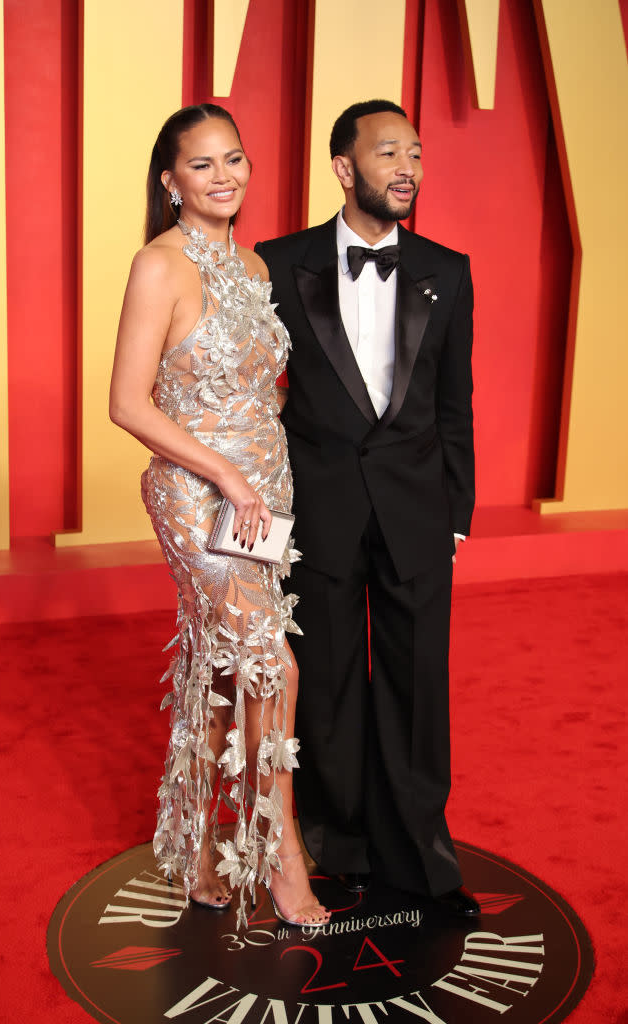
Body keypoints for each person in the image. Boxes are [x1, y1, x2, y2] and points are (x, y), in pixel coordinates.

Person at [255, 99, 479, 917]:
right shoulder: (278, 263)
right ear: (345, 168)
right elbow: (252, 396)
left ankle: (418, 855)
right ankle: (337, 843)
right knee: (328, 685)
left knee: (418, 684)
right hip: (317, 511)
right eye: (389, 153)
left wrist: (455, 513)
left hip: (418, 511)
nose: (407, 168)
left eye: (415, 153)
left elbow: (453, 403)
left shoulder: (445, 269)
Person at [109, 103, 330, 929]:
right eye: (201, 165)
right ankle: (279, 855)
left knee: (214, 669)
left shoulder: (254, 271)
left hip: (263, 498)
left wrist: (261, 480)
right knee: (272, 667)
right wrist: (229, 477)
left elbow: (256, 393)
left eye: (233, 158)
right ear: (170, 182)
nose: (223, 176)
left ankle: (192, 846)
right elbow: (127, 403)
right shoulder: (159, 265)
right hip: (202, 495)